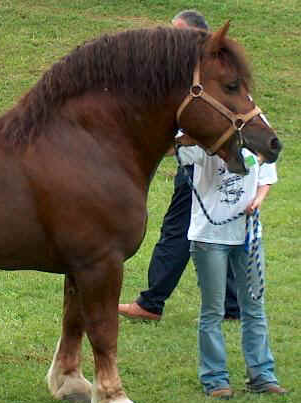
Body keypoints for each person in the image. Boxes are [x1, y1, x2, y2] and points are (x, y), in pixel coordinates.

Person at [118, 10, 240, 322]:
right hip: (207, 161)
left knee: (179, 228)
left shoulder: (200, 74)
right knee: (214, 224)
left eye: (177, 34)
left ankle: (151, 302)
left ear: (197, 37)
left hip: (204, 161)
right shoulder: (193, 72)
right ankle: (231, 305)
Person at [177, 144, 286, 398]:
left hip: (248, 235)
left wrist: (258, 201)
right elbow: (177, 151)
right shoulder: (209, 135)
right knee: (213, 310)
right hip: (209, 237)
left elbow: (266, 175)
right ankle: (215, 379)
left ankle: (262, 374)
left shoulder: (257, 132)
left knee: (254, 307)